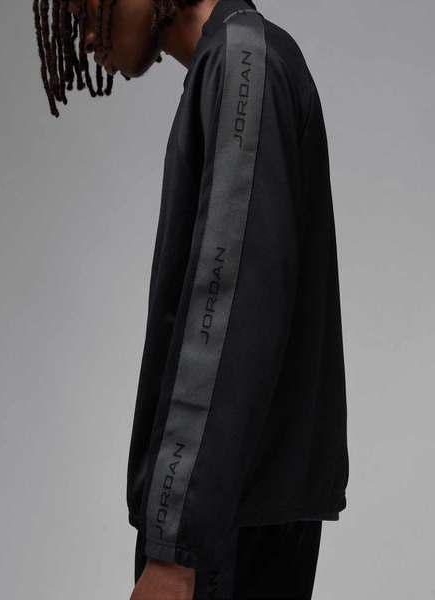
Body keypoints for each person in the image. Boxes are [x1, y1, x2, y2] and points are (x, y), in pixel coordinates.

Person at [33, 0, 350, 598]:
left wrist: (174, 550)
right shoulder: (234, 58)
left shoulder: (242, 60)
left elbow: (227, 304)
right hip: (231, 513)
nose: (85, 36)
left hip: (221, 530)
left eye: (87, 9)